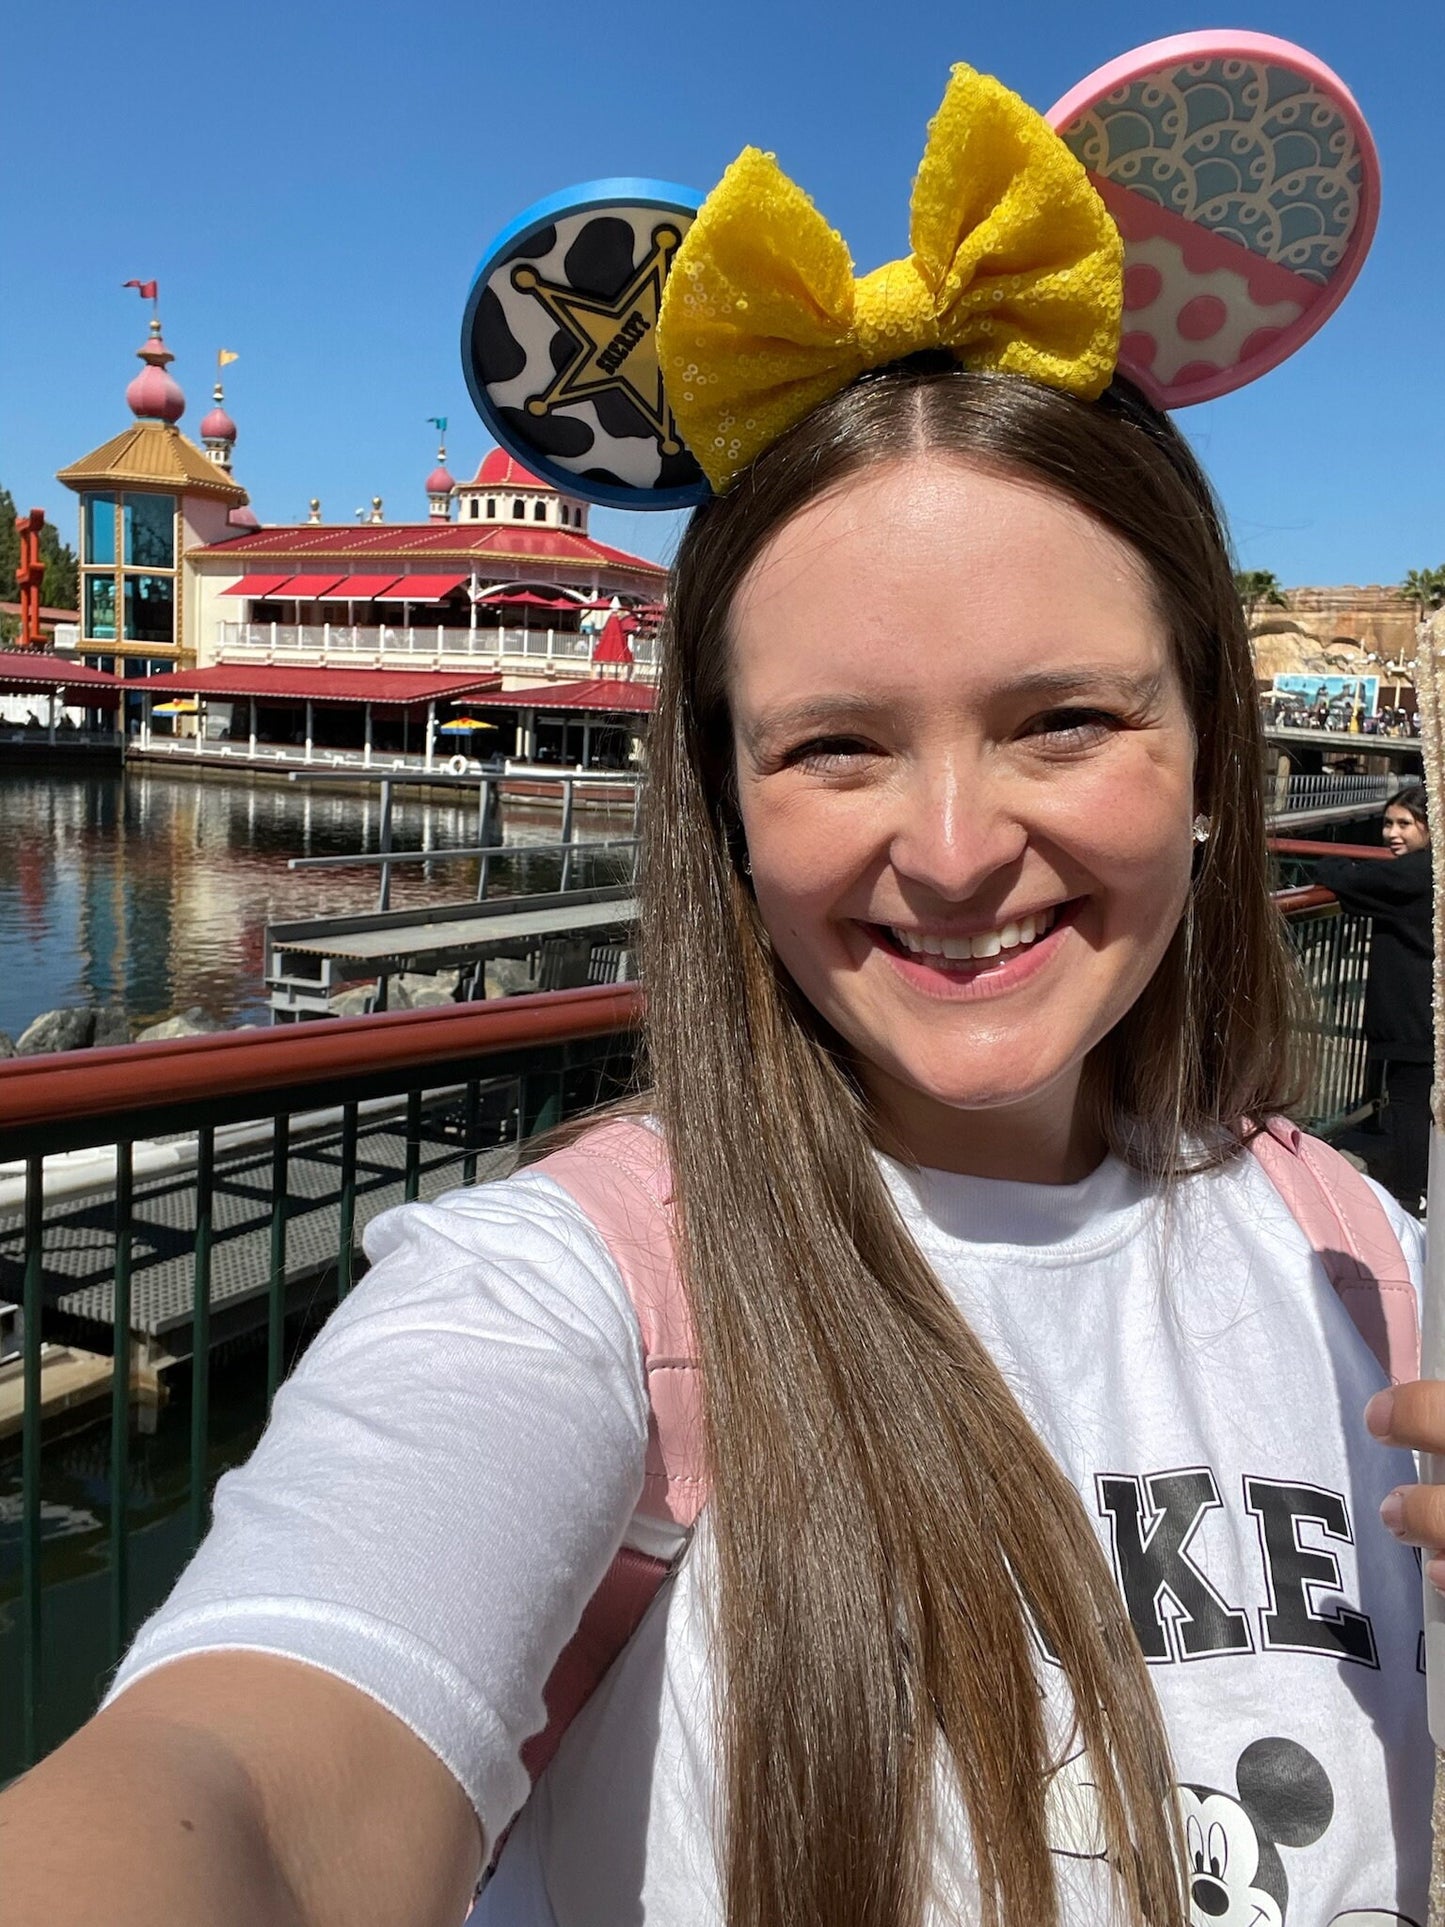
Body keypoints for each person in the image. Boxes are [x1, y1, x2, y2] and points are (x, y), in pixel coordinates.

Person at [4, 50, 1444, 1927]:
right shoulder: (582, 1293)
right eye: (835, 744)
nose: (946, 847)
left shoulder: (1364, 1261)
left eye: (1064, 719)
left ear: (1208, 756)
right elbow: (249, 1774)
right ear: (723, 795)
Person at [1315, 786, 1434, 1211]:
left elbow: (1346, 879)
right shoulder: (1427, 872)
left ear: (1429, 826)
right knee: (1419, 1102)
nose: (1391, 833)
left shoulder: (1413, 876)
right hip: (1425, 1014)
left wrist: (1330, 862)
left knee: (1408, 1104)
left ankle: (1411, 1195)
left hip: (1412, 1016)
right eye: (1388, 823)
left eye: (1404, 823)